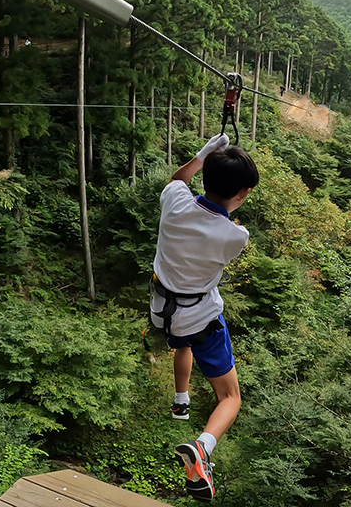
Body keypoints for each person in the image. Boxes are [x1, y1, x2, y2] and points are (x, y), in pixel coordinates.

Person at [149, 134, 259, 502]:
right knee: (230, 397)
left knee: (182, 345)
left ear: (206, 175)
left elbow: (178, 180)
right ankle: (202, 448)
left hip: (163, 312)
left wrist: (201, 156)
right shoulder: (234, 236)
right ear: (242, 193)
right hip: (200, 318)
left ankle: (181, 399)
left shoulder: (174, 202)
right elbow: (221, 218)